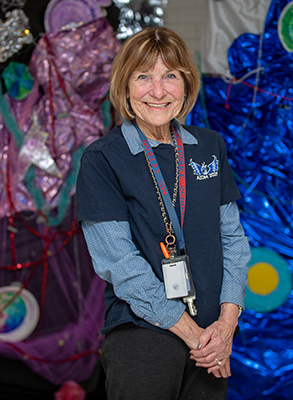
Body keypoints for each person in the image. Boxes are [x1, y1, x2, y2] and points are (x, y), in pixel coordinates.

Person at [76, 27, 251, 400]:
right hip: (144, 333)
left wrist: (226, 324)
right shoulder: (102, 159)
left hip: (213, 334)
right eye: (143, 77)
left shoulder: (209, 146)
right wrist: (195, 336)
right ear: (125, 87)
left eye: (170, 76)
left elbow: (233, 240)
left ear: (186, 85)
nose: (158, 91)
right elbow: (119, 263)